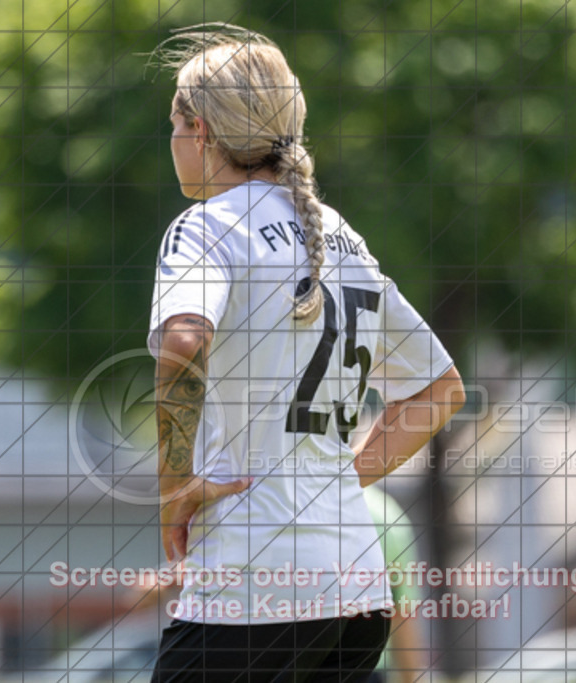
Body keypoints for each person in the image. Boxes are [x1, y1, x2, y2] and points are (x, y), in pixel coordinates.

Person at [146, 24, 465, 682]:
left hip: (251, 585)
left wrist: (174, 487)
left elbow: (181, 346)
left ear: (200, 130)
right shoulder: (345, 239)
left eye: (174, 123)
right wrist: (337, 477)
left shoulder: (206, 227)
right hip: (355, 590)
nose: (172, 140)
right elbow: (440, 390)